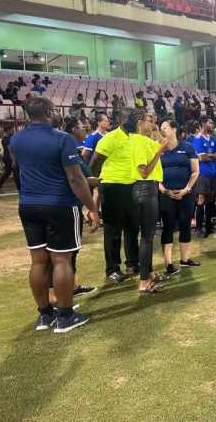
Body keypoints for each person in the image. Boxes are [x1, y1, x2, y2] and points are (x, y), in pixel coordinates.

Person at [11, 97, 98, 333]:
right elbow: (75, 178)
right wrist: (92, 208)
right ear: (50, 112)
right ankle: (66, 316)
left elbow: (18, 170)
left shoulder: (16, 140)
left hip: (28, 205)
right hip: (59, 204)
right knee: (61, 260)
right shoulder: (62, 138)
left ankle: (45, 315)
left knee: (38, 261)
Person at [47, 117, 99, 303]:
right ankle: (56, 297)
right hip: (65, 204)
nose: (85, 129)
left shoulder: (73, 150)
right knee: (60, 252)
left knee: (71, 250)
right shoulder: (65, 145)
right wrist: (89, 184)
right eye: (82, 127)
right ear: (72, 130)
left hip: (73, 204)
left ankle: (73, 286)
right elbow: (73, 178)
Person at [90, 107, 141, 283]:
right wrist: (97, 185)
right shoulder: (111, 138)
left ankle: (133, 262)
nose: (135, 121)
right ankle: (112, 269)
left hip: (132, 186)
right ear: (121, 120)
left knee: (133, 227)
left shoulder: (136, 138)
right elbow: (94, 163)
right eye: (132, 118)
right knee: (113, 230)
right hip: (112, 187)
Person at [126, 110, 169, 293]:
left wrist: (157, 130)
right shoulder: (137, 142)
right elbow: (144, 171)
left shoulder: (145, 140)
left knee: (148, 236)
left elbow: (166, 144)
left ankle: (149, 274)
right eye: (148, 120)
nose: (151, 122)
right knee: (147, 237)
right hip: (144, 188)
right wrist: (158, 153)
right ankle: (144, 281)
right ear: (139, 123)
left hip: (149, 188)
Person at [158, 118, 200, 275]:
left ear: (174, 129)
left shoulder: (187, 147)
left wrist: (187, 189)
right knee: (167, 227)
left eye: (165, 128)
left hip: (186, 194)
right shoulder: (158, 150)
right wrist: (164, 191)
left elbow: (195, 171)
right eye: (161, 128)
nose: (162, 131)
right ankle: (168, 264)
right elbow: (155, 176)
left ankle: (185, 259)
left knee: (185, 224)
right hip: (166, 194)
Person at [193, 116, 216, 238]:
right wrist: (213, 155)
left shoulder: (212, 139)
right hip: (203, 174)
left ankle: (209, 226)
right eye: (210, 122)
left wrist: (211, 155)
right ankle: (198, 228)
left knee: (210, 200)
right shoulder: (197, 139)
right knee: (201, 200)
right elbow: (201, 157)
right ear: (204, 124)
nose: (212, 124)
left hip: (213, 173)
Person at [0, 127, 20, 193]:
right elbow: (10, 151)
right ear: (8, 131)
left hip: (6, 158)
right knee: (16, 173)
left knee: (7, 173)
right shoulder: (8, 139)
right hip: (10, 159)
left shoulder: (5, 139)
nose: (13, 131)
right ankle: (20, 189)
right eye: (12, 130)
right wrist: (14, 161)